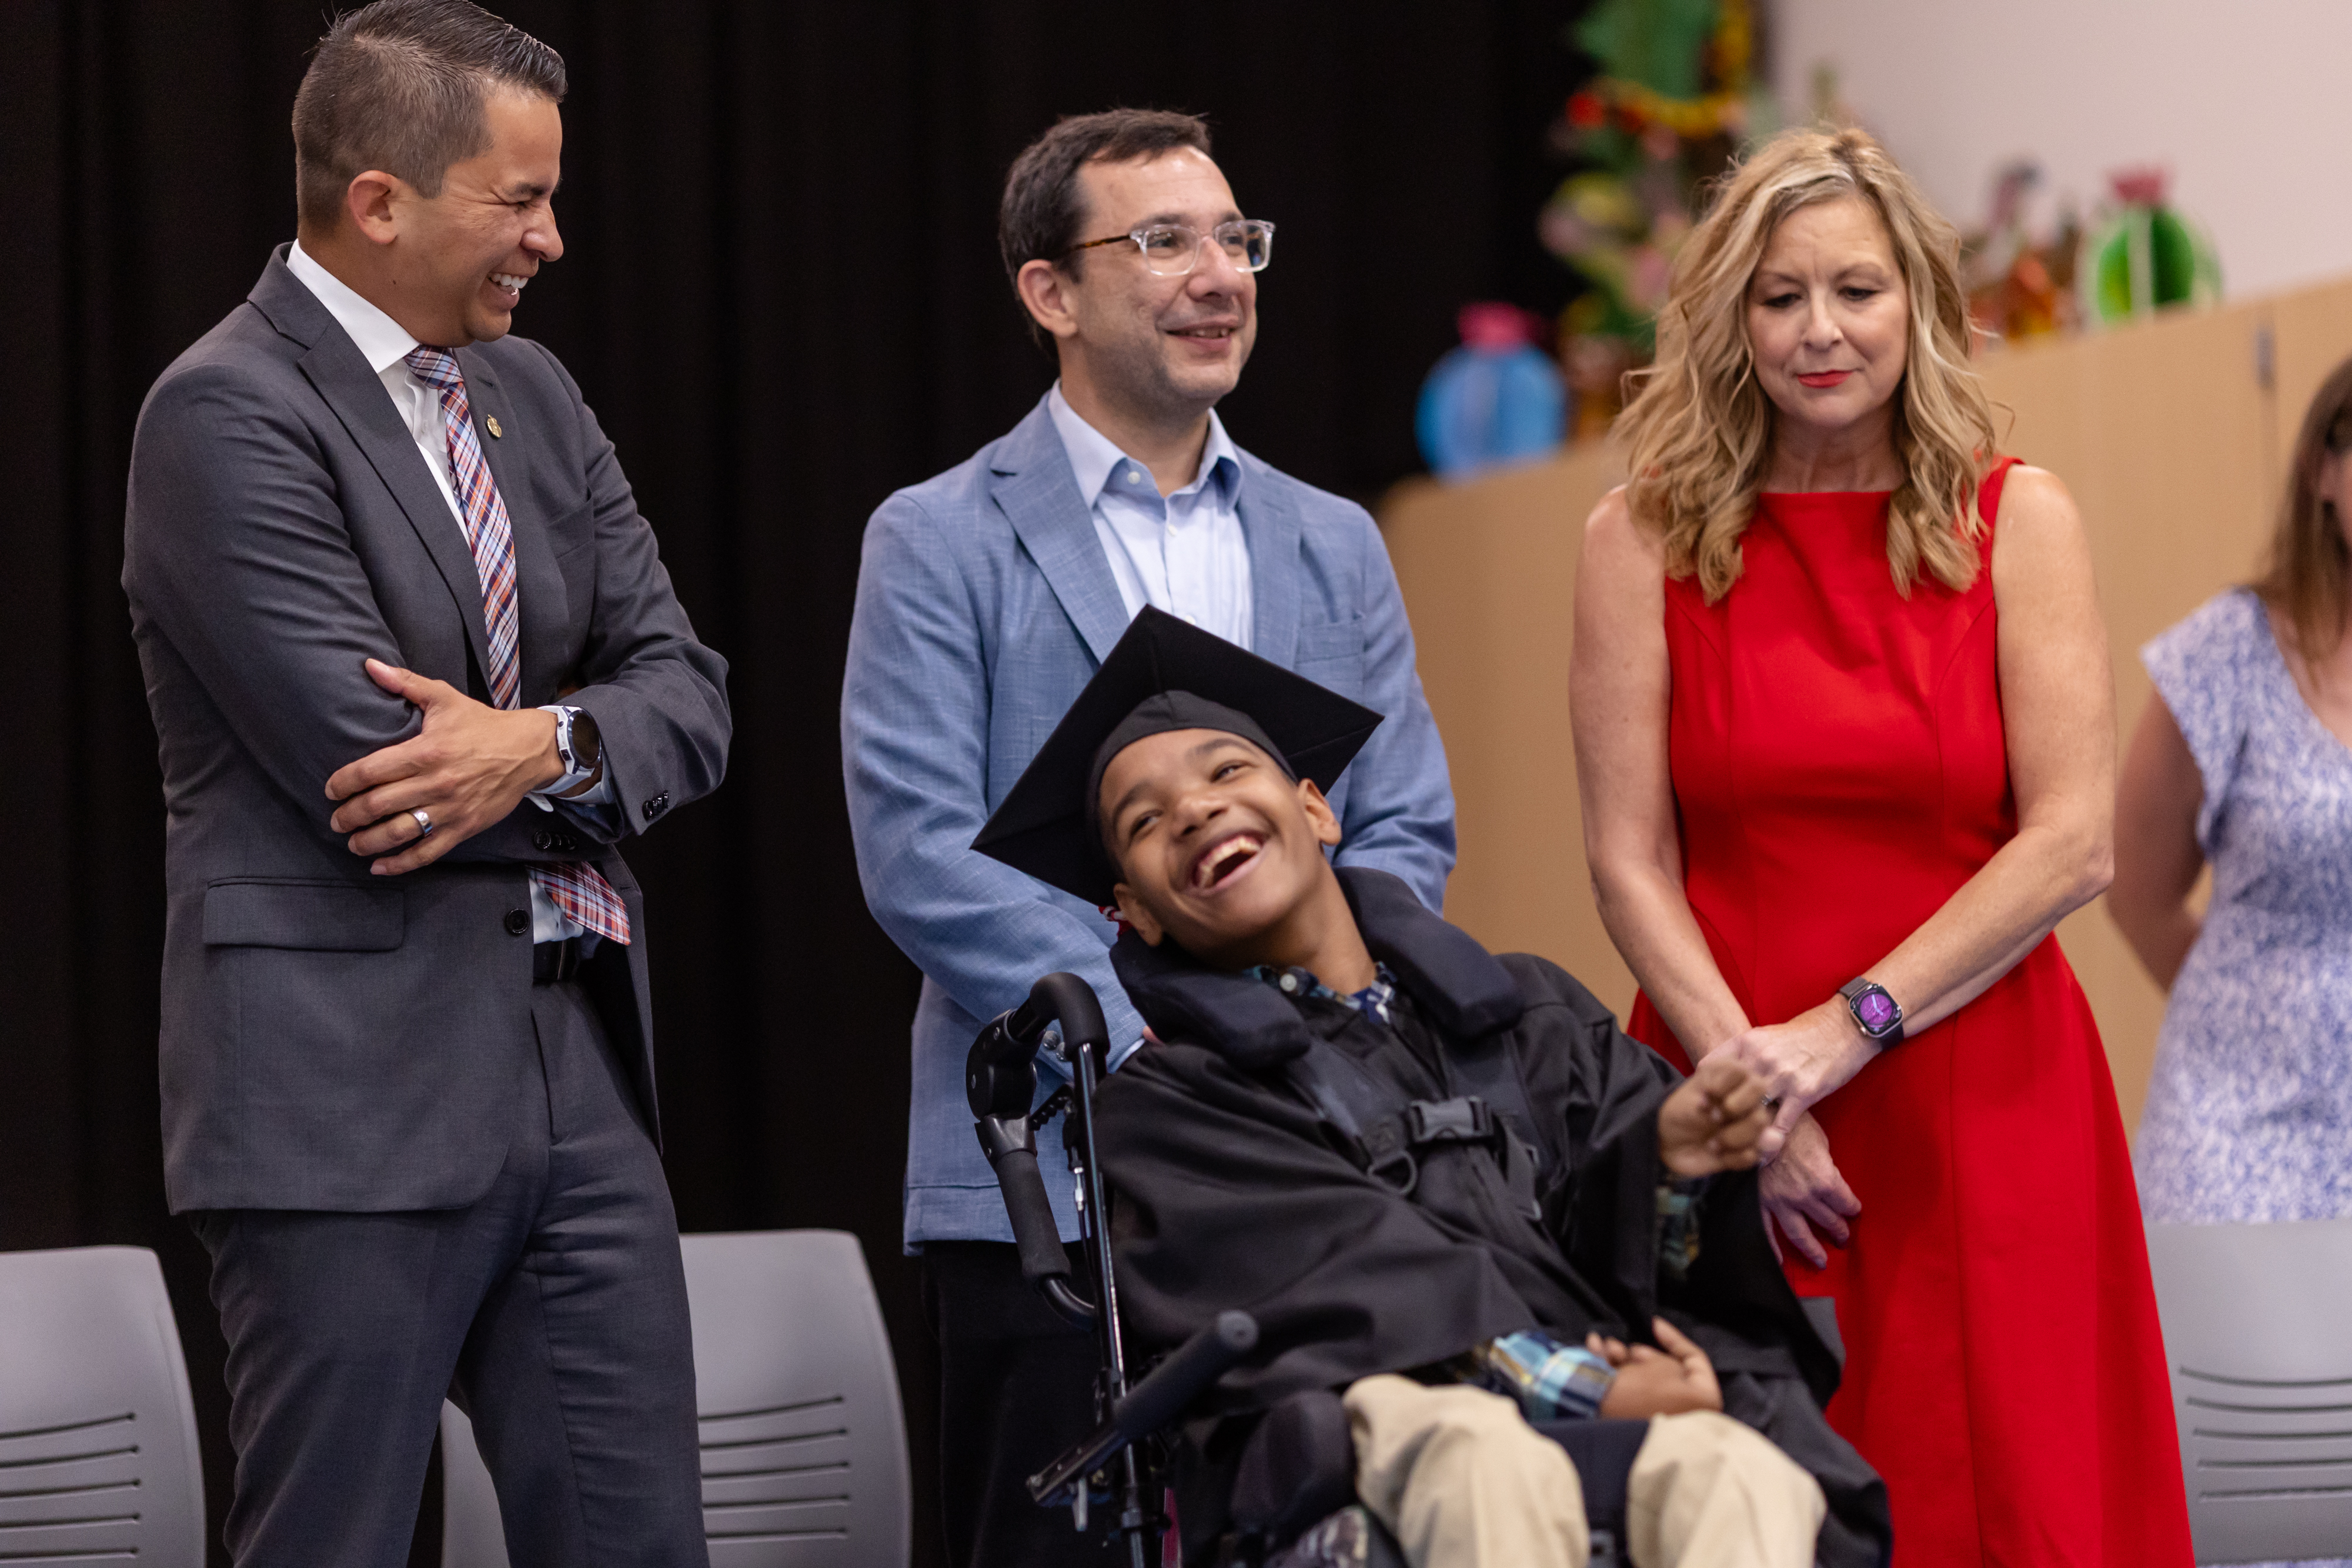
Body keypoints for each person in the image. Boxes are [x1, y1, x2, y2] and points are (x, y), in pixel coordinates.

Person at [120, 4, 729, 1563]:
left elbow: (694, 698)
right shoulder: (224, 409)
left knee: (637, 1541)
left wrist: (539, 739)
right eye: (518, 199)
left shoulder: (541, 396)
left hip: (579, 1065)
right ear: (380, 198)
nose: (553, 239)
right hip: (343, 1093)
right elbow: (376, 769)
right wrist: (587, 732)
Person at [841, 110, 1455, 1564]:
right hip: (1046, 1183)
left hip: (1319, 1161)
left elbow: (1404, 824)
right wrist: (1162, 1030)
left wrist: (1307, 1023)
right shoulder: (937, 536)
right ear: (1049, 292)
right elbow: (921, 847)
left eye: (1234, 239)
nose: (1217, 273)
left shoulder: (1331, 538)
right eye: (1161, 240)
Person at [1569, 126, 2190, 1564]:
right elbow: (1624, 859)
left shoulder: (2016, 519)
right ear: (1730, 320)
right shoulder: (1636, 537)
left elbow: (2071, 842)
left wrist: (1833, 1038)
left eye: (1854, 290)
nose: (1818, 331)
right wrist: (1750, 1089)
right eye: (1777, 297)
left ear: (1916, 300)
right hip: (1723, 1099)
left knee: (2015, 1503)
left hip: (1980, 1094)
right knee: (1758, 1501)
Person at [970, 608, 1889, 1568]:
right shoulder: (1172, 1108)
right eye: (1145, 822)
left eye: (1227, 771)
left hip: (1612, 1398)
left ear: (1318, 809)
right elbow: (1336, 1300)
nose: (1195, 810)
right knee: (1482, 1455)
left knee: (1730, 1467)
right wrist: (1589, 1391)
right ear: (1135, 916)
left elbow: (1649, 1271)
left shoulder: (1529, 1011)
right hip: (1376, 1438)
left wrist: (1674, 1172)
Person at [2114, 354, 2352, 1246]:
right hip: (2237, 1146)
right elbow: (2136, 886)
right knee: (2238, 1386)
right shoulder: (2230, 648)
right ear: (2323, 471)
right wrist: (2252, 1013)